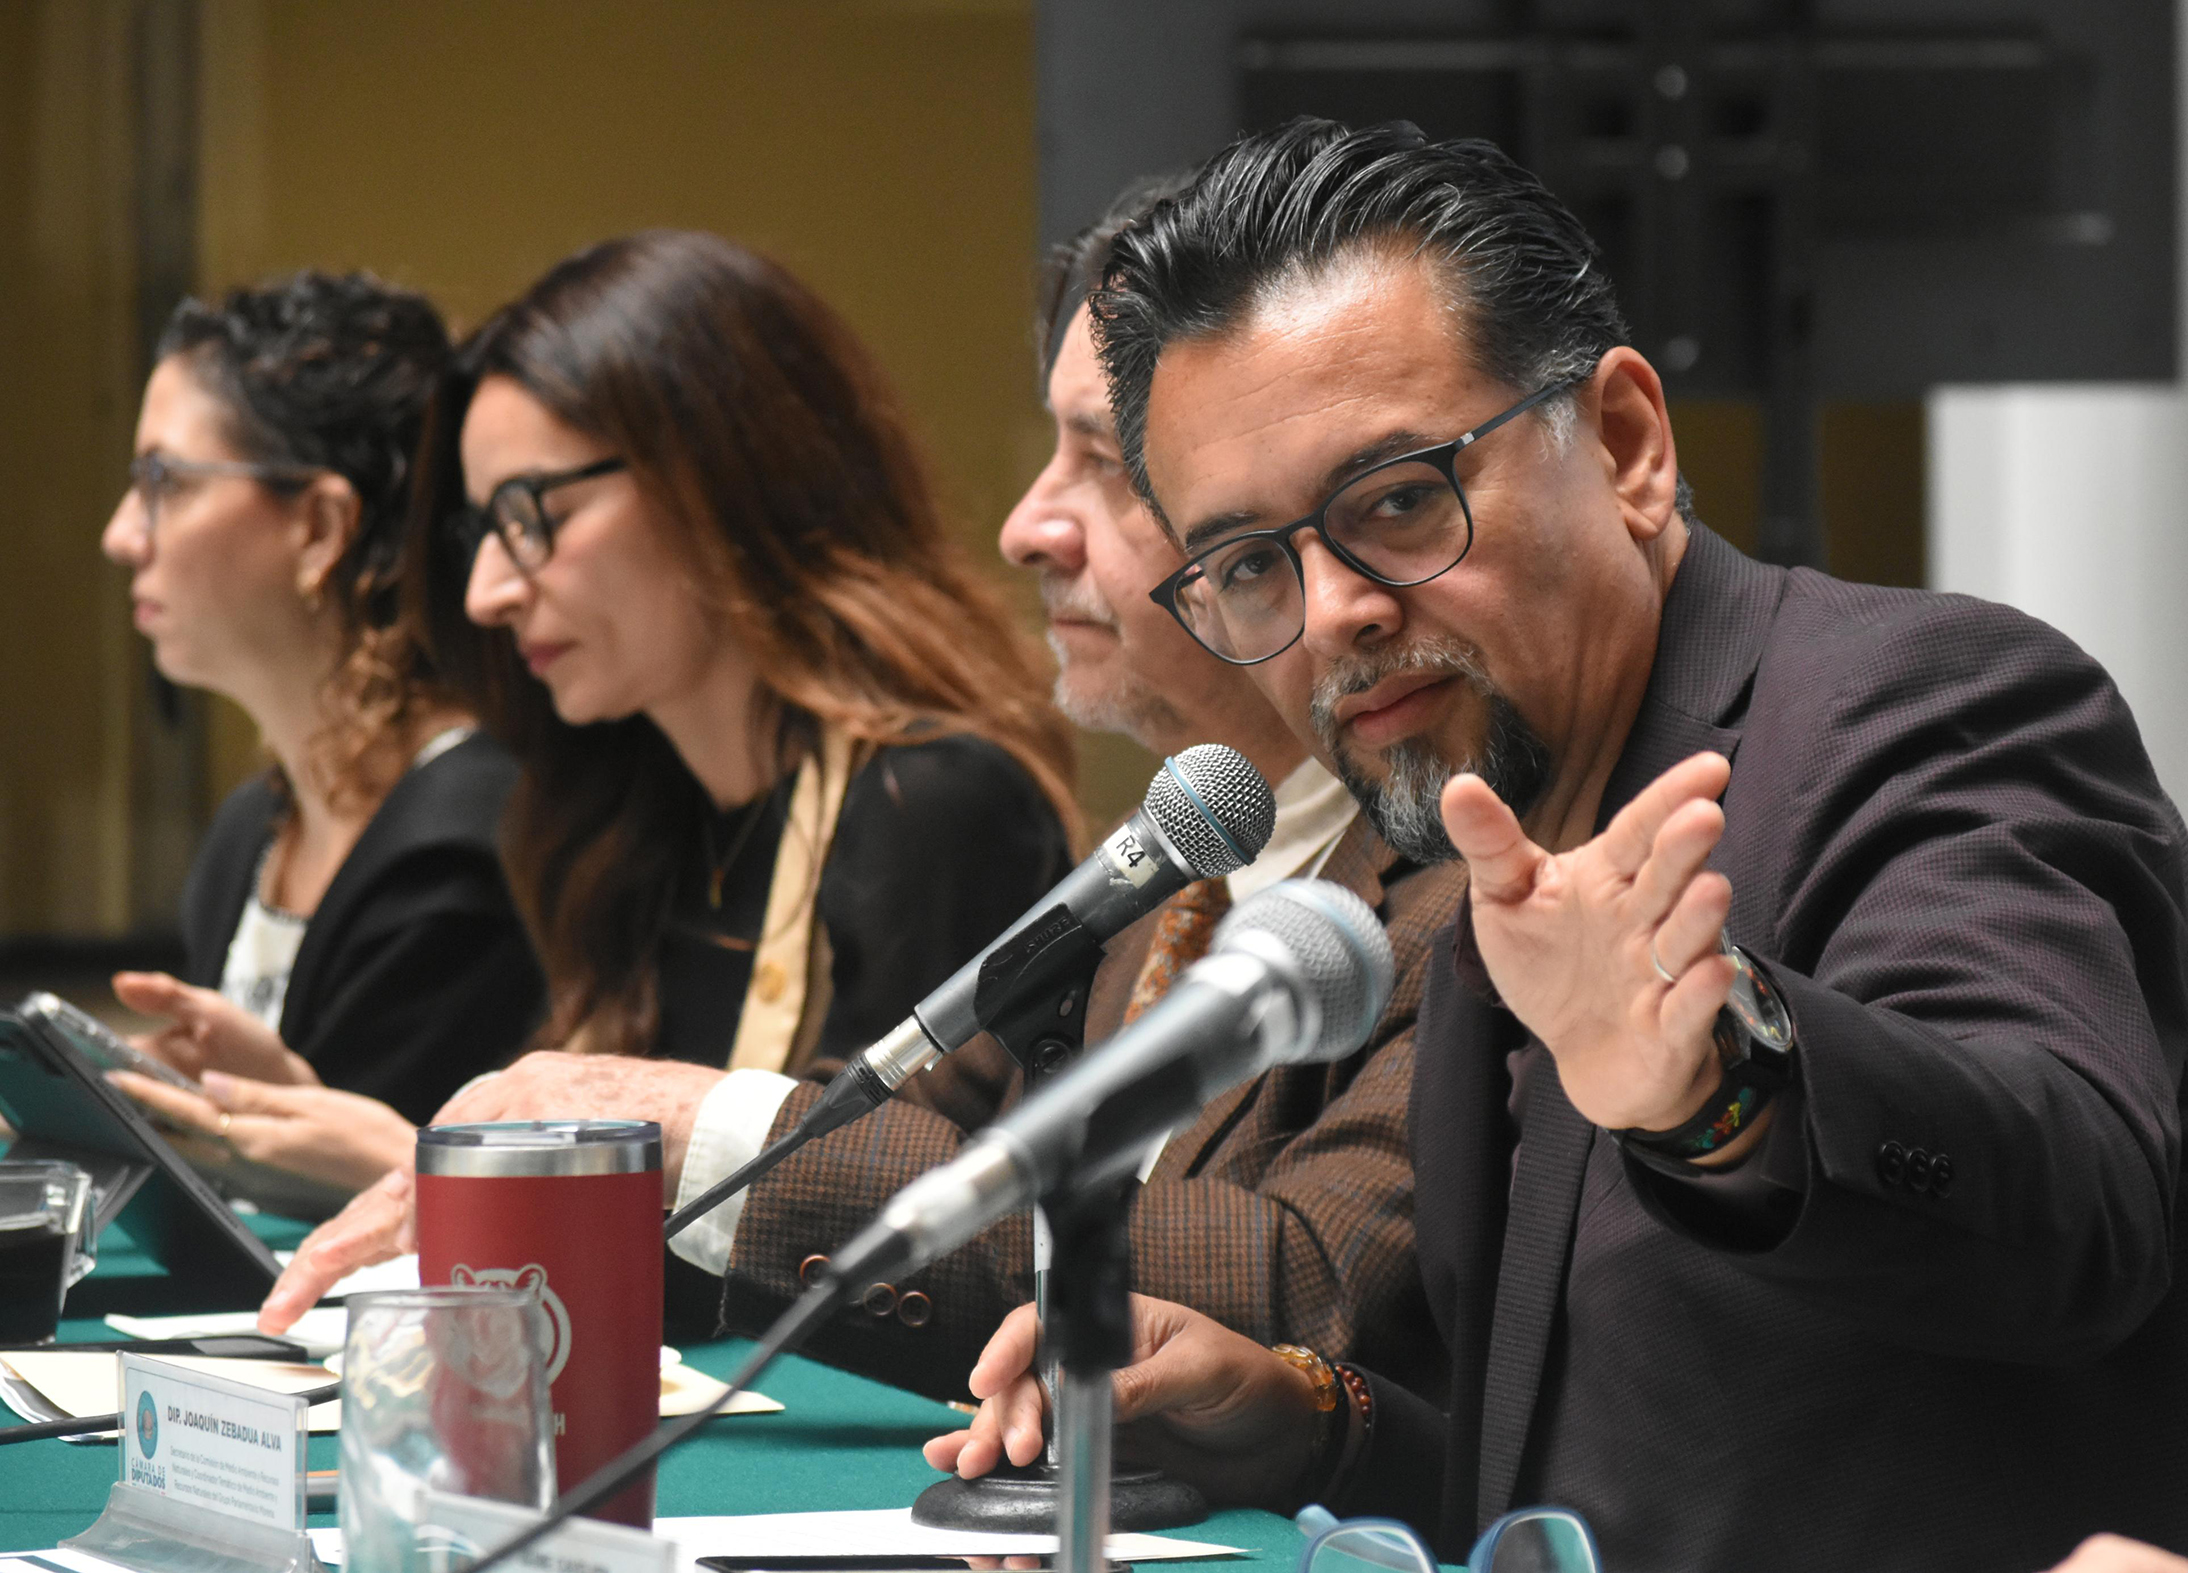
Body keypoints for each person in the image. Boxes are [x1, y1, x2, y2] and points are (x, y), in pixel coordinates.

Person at [923, 117, 2188, 1570]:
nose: (1333, 613)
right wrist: (1309, 1422)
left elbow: (2071, 1219)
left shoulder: (1925, 704)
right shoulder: (1493, 852)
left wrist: (1719, 1083)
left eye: (1397, 501)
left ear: (1627, 445)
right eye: (1251, 565)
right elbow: (1596, 1483)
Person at [261, 201, 1462, 1404]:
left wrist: (676, 1126)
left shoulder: (1455, 870)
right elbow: (914, 1137)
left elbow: (1305, 1291)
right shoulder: (1170, 856)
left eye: (1107, 462)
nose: (1024, 527)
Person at [249, 225, 1076, 1299]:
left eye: (533, 514)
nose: (487, 593)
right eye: (480, 531)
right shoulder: (618, 807)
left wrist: (439, 1167)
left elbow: (892, 1261)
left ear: (717, 474)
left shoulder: (934, 803)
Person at [97, 272, 543, 1203]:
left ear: (319, 525)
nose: (121, 534)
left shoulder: (467, 841)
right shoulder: (248, 832)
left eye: (162, 482)